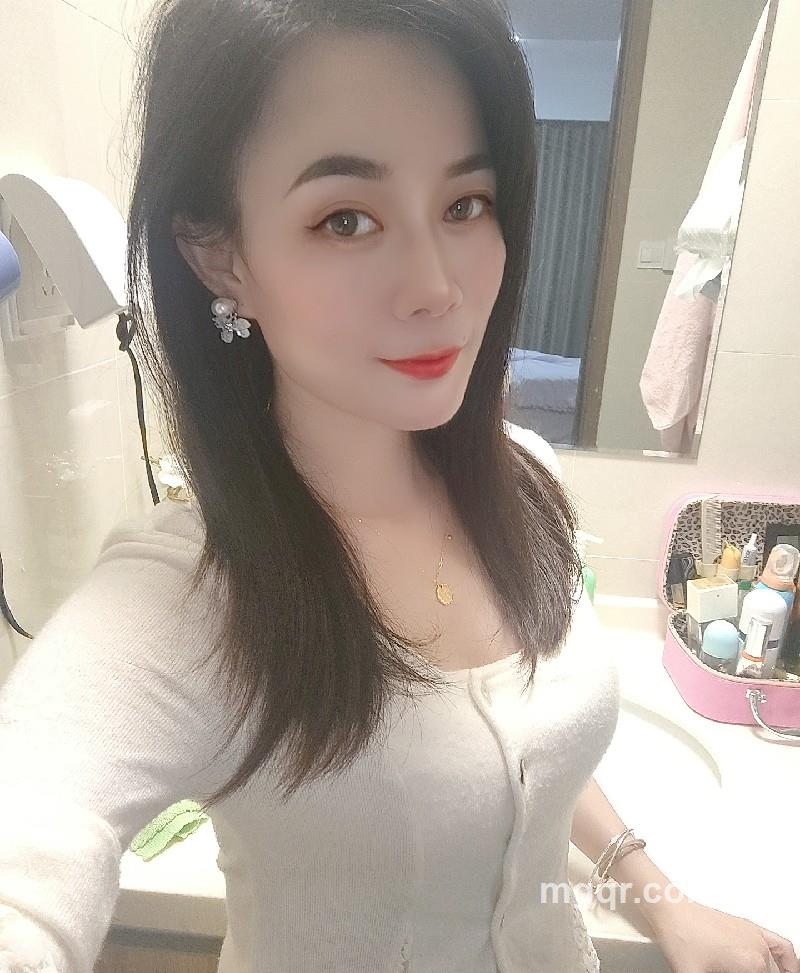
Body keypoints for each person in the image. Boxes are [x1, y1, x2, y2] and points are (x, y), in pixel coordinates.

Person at [1, 1, 797, 971]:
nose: (437, 287)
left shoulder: (525, 481)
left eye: (465, 204)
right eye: (346, 219)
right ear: (220, 255)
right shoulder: (190, 597)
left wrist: (665, 904)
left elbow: (525, 758)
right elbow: (33, 831)